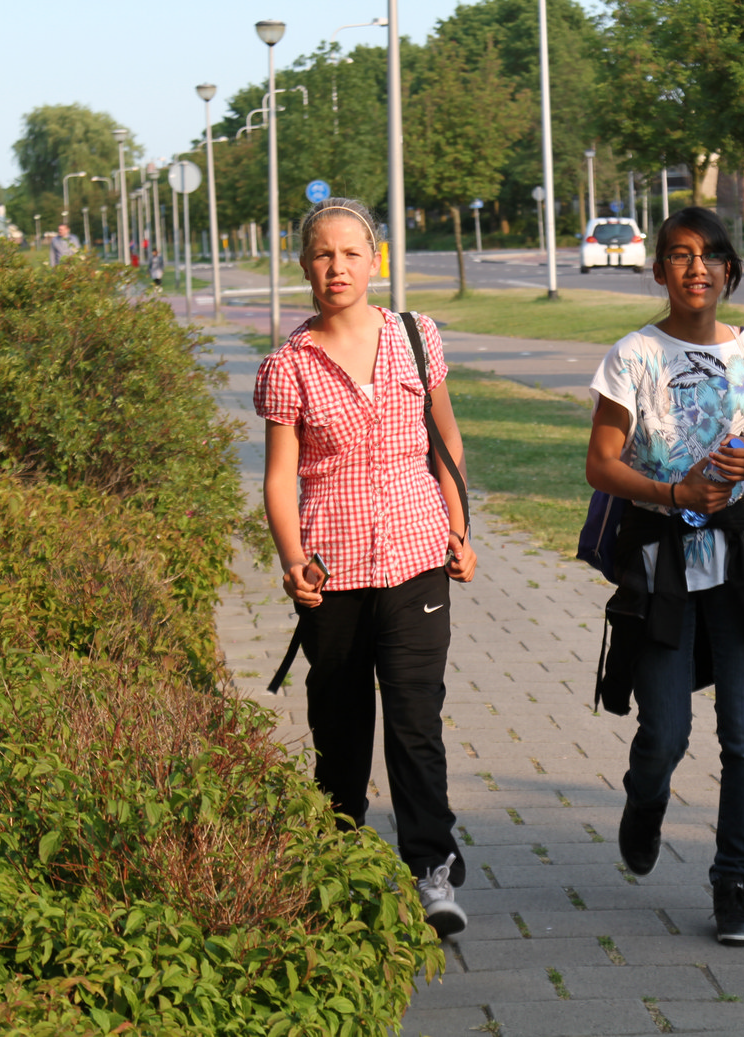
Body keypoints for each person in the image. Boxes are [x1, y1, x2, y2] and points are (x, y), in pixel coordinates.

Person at [253, 198, 477, 940]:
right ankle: (337, 863)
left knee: (415, 722)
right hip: (333, 571)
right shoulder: (289, 365)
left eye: (351, 253)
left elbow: (445, 438)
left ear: (374, 260)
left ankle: (431, 867)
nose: (337, 267)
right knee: (341, 727)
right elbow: (279, 477)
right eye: (322, 254)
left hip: (417, 556)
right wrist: (292, 560)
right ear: (303, 266)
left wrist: (459, 528)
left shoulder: (416, 336)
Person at [585, 206, 744, 945]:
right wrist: (674, 493)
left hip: (739, 561)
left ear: (729, 270)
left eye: (709, 255)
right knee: (665, 733)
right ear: (659, 270)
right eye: (679, 254)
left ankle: (735, 883)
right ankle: (644, 798)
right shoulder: (633, 355)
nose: (696, 268)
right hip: (659, 560)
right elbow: (600, 464)